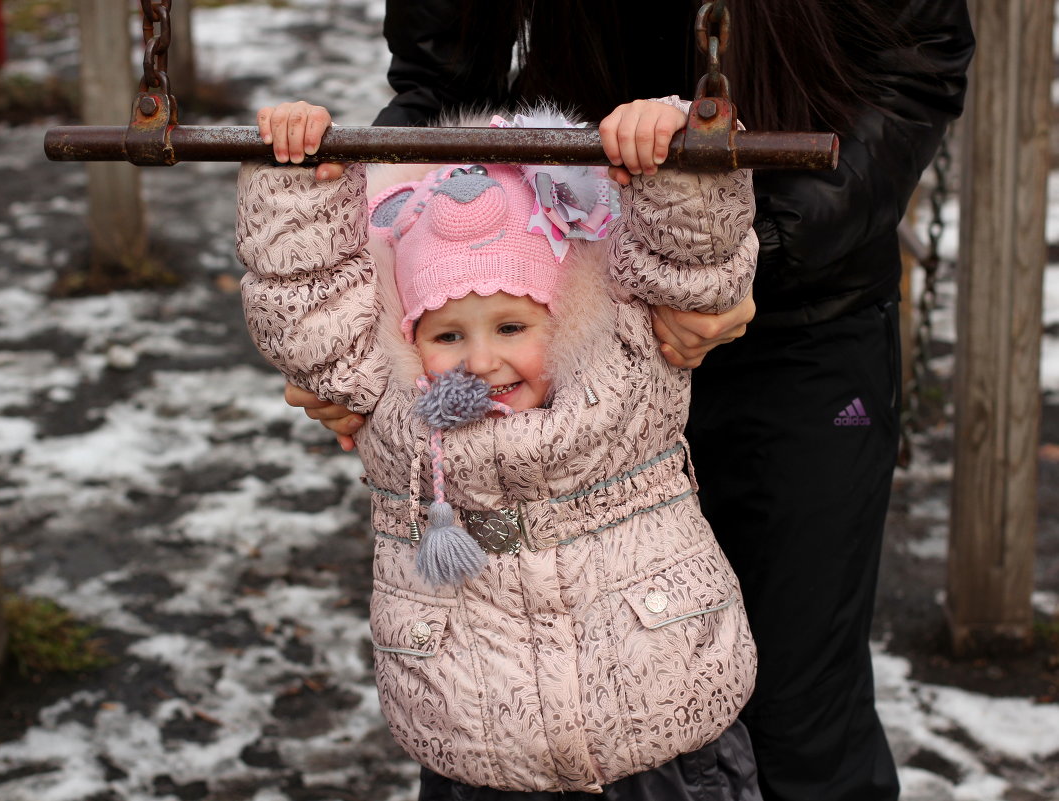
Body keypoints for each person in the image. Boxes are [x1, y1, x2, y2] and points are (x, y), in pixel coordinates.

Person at [258, 2, 976, 799]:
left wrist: (760, 254)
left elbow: (917, 64)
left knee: (800, 709)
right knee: (518, 698)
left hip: (805, 303)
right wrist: (374, 322)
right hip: (552, 317)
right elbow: (438, 87)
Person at [239, 96, 763, 798]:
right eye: (448, 335)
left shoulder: (625, 372)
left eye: (512, 326)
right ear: (407, 337)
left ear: (566, 315)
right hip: (481, 750)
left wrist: (673, 144)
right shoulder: (393, 410)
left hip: (661, 736)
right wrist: (297, 171)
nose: (481, 360)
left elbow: (693, 256)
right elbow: (304, 301)